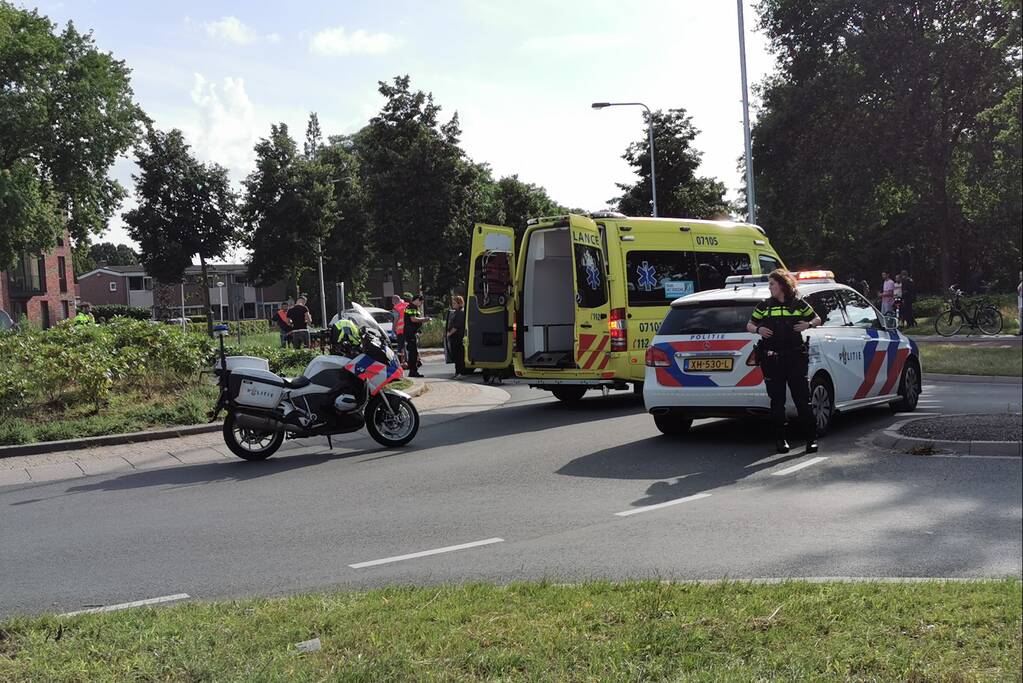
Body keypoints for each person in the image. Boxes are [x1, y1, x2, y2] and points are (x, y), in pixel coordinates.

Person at [746, 269, 822, 454]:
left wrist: (808, 325)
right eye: (769, 284)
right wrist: (758, 331)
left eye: (772, 283)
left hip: (795, 357)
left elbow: (817, 318)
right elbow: (749, 324)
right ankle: (781, 440)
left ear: (782, 284)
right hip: (772, 359)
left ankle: (811, 439)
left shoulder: (797, 304)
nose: (770, 287)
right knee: (777, 402)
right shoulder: (764, 306)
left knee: (802, 400)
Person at [403, 294, 431, 378]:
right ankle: (413, 371)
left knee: (414, 352)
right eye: (421, 302)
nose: (421, 304)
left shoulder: (411, 307)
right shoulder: (412, 307)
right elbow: (413, 319)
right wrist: (425, 319)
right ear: (418, 300)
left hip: (411, 332)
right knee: (413, 353)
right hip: (410, 332)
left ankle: (414, 369)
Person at [446, 295, 467, 378]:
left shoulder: (461, 313)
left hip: (458, 337)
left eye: (455, 303)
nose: (453, 304)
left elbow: (457, 326)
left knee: (459, 356)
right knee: (455, 355)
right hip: (454, 338)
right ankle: (457, 372)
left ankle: (461, 373)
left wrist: (449, 333)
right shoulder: (455, 312)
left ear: (459, 303)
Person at [391, 294, 409, 361]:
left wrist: (393, 329)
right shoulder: (407, 305)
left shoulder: (396, 308)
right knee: (410, 345)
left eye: (392, 301)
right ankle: (413, 360)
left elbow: (396, 319)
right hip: (410, 329)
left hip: (401, 330)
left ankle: (401, 361)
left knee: (400, 346)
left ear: (394, 301)